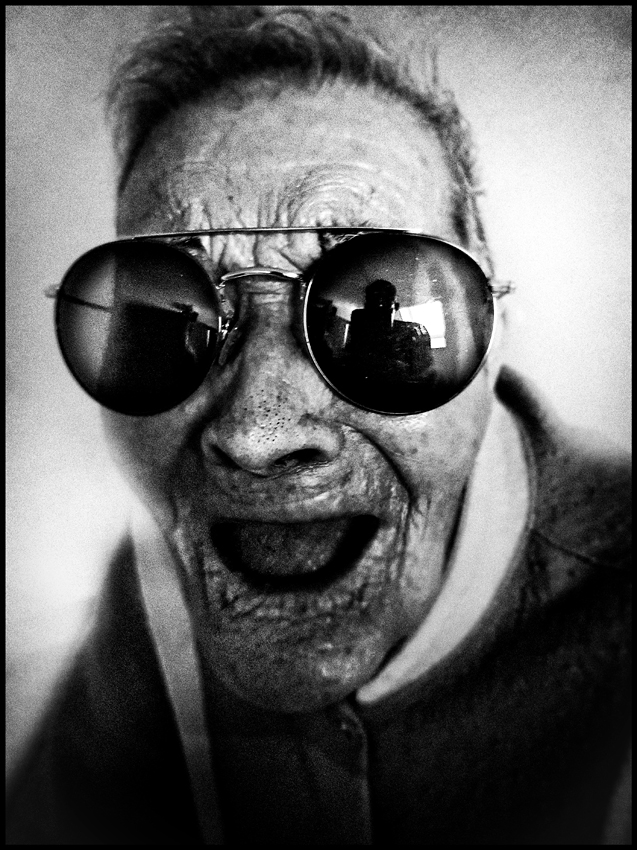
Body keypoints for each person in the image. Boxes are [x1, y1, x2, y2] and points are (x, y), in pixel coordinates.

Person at [6, 6, 631, 845]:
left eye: (382, 318)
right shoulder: (154, 597)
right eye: (165, 310)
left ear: (492, 334)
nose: (257, 433)